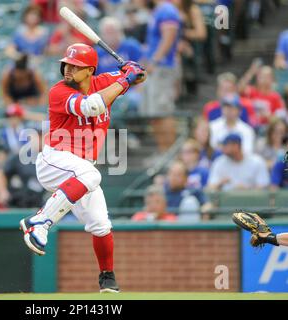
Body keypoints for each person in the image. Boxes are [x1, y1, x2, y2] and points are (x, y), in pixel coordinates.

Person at [19, 43, 146, 293]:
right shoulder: (59, 91)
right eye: (66, 64)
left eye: (75, 66)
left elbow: (140, 76)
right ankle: (39, 222)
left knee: (101, 224)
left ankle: (107, 278)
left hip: (79, 172)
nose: (67, 69)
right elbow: (93, 106)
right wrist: (126, 79)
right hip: (54, 160)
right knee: (91, 175)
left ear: (89, 70)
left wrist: (134, 70)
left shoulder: (104, 82)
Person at [142, 0, 181, 152]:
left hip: (162, 68)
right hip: (155, 69)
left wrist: (155, 61)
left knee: (163, 112)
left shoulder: (167, 9)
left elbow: (169, 37)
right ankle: (163, 152)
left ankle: (170, 155)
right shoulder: (159, 10)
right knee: (155, 114)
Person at [0, 130, 45, 208]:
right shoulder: (20, 156)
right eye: (37, 137)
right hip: (19, 201)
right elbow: (1, 171)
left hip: (41, 201)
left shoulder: (49, 157)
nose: (40, 141)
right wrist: (2, 191)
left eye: (42, 137)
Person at [239, 61, 286, 127]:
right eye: (261, 76)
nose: (264, 78)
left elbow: (280, 120)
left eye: (267, 76)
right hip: (250, 126)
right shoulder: (251, 91)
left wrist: (268, 116)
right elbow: (239, 89)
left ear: (272, 79)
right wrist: (251, 71)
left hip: (267, 128)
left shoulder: (276, 97)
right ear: (257, 77)